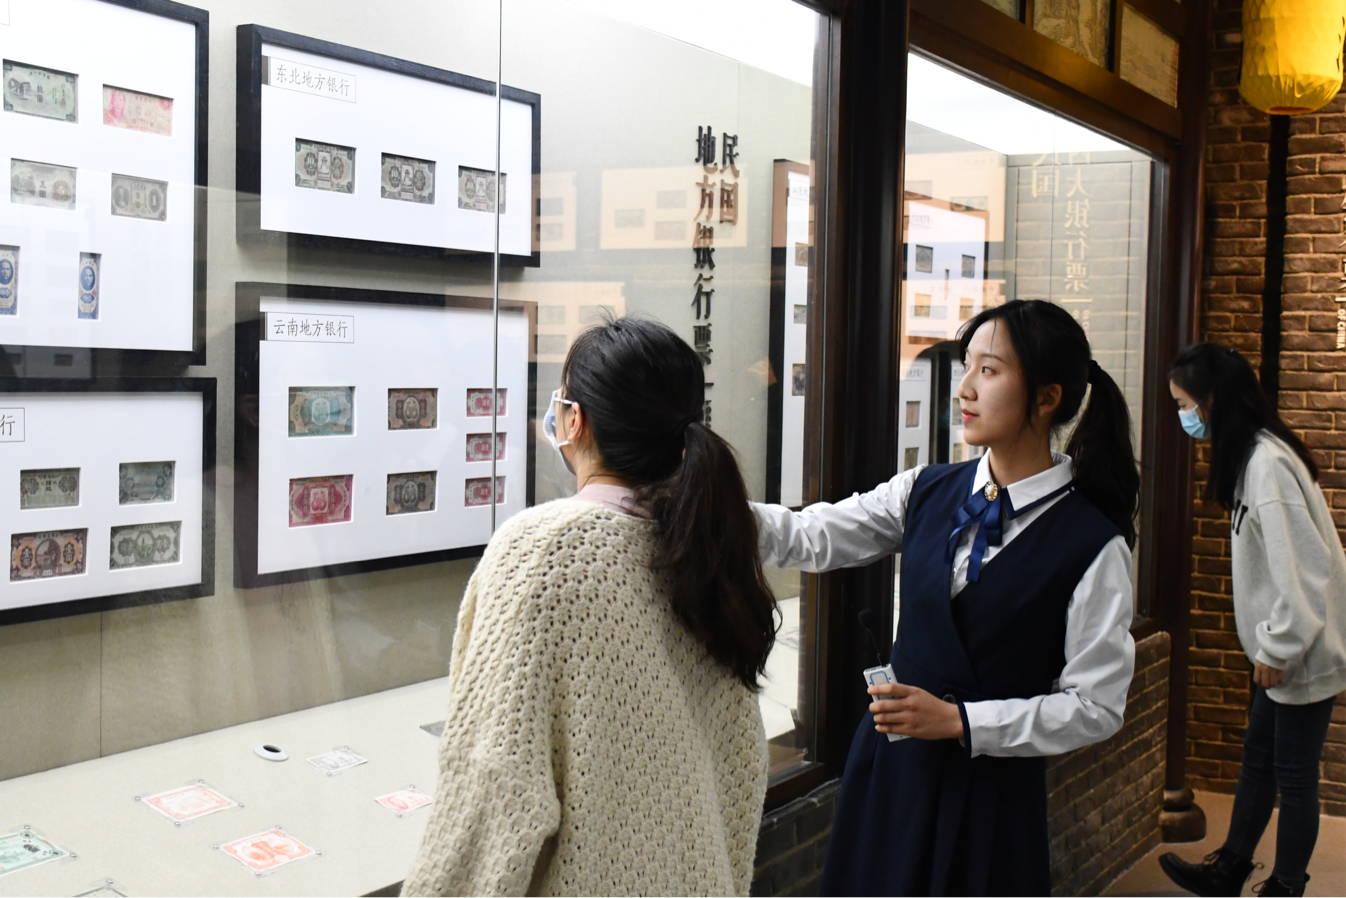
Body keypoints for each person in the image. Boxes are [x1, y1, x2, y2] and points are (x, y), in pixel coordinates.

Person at [754, 299, 1140, 896]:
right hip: (891, 771)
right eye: (967, 367)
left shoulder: (1093, 545)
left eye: (989, 370)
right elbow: (812, 535)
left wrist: (961, 722)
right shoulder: (928, 488)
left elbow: (1096, 707)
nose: (964, 388)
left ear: (1047, 398)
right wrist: (701, 503)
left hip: (990, 798)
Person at [402, 316, 776, 897]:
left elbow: (493, 789)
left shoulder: (543, 549)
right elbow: (742, 770)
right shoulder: (705, 547)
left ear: (574, 420)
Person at [1159, 344, 1346, 898]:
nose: (1182, 416)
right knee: (1259, 761)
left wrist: (1280, 647)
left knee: (1294, 775)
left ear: (1213, 401)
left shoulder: (1268, 465)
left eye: (1184, 404)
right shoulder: (1251, 456)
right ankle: (1230, 869)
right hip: (1283, 645)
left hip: (1301, 649)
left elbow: (1305, 570)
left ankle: (1285, 887)